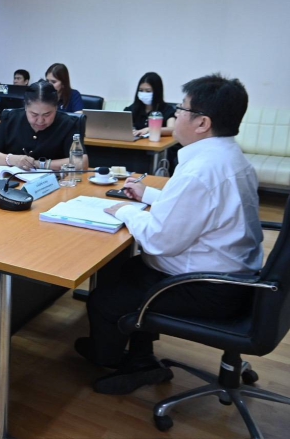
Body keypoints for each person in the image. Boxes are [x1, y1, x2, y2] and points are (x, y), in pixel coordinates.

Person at [75, 74, 263, 395]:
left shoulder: (201, 170)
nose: (174, 116)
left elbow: (159, 240)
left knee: (105, 299)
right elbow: (199, 208)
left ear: (202, 123)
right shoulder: (229, 157)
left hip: (207, 288)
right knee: (128, 269)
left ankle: (114, 360)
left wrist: (124, 211)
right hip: (236, 279)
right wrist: (147, 195)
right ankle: (141, 354)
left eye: (181, 109)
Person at [0, 80, 88, 170]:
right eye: (34, 114)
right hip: (13, 181)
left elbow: (81, 162)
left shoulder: (67, 124)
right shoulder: (11, 118)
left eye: (47, 114)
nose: (40, 121)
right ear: (25, 107)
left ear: (56, 108)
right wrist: (13, 160)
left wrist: (40, 164)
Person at [124, 72, 176, 137]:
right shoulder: (134, 108)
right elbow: (122, 124)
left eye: (148, 91)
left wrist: (150, 129)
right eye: (141, 90)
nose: (143, 93)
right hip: (136, 142)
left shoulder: (167, 110)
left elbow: (172, 129)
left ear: (157, 92)